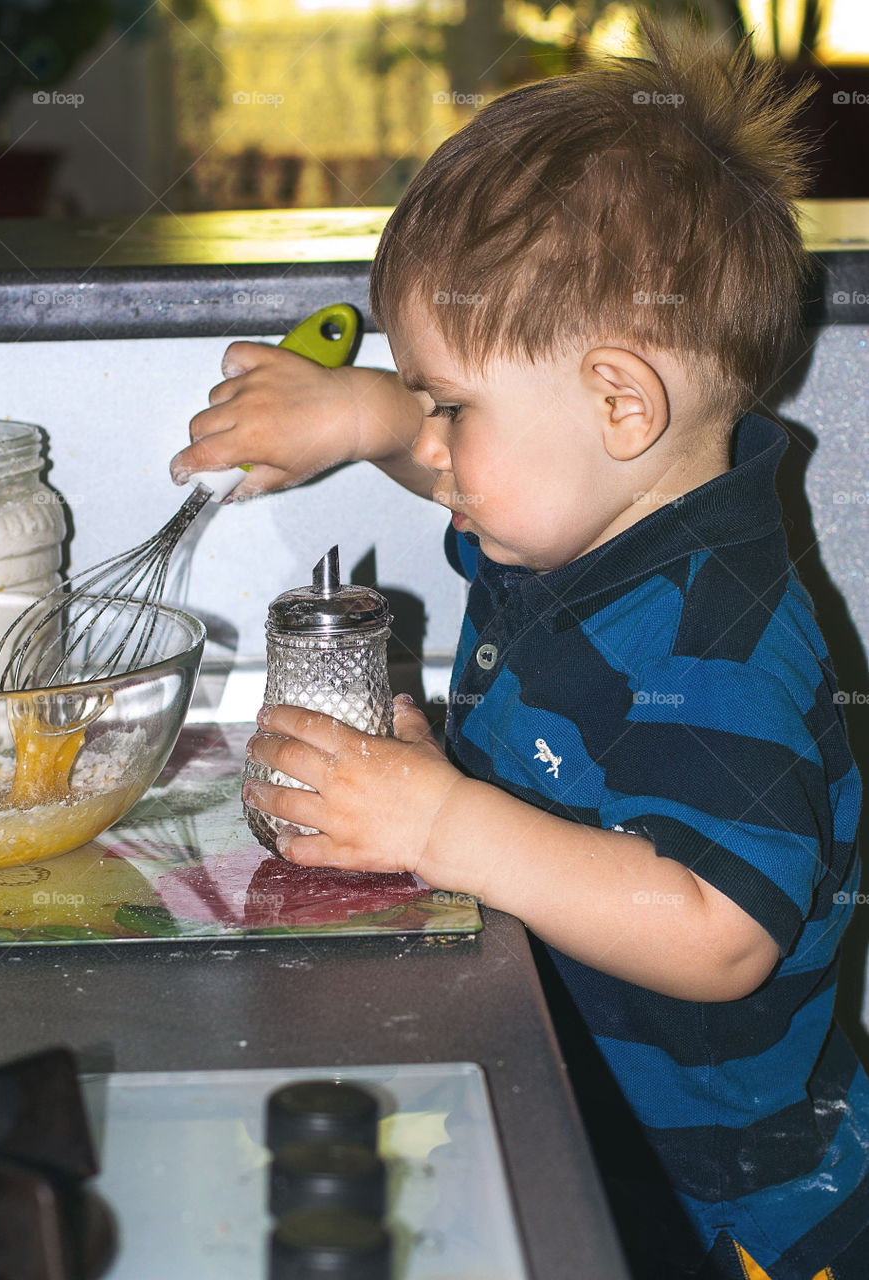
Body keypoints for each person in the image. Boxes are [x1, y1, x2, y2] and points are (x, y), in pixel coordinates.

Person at [171, 19, 868, 1279]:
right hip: (585, 1114)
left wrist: (444, 827)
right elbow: (470, 463)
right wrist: (365, 412)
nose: (430, 444)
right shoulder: (581, 523)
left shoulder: (716, 638)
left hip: (732, 1212)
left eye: (449, 401)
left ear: (619, 402)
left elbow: (721, 928)